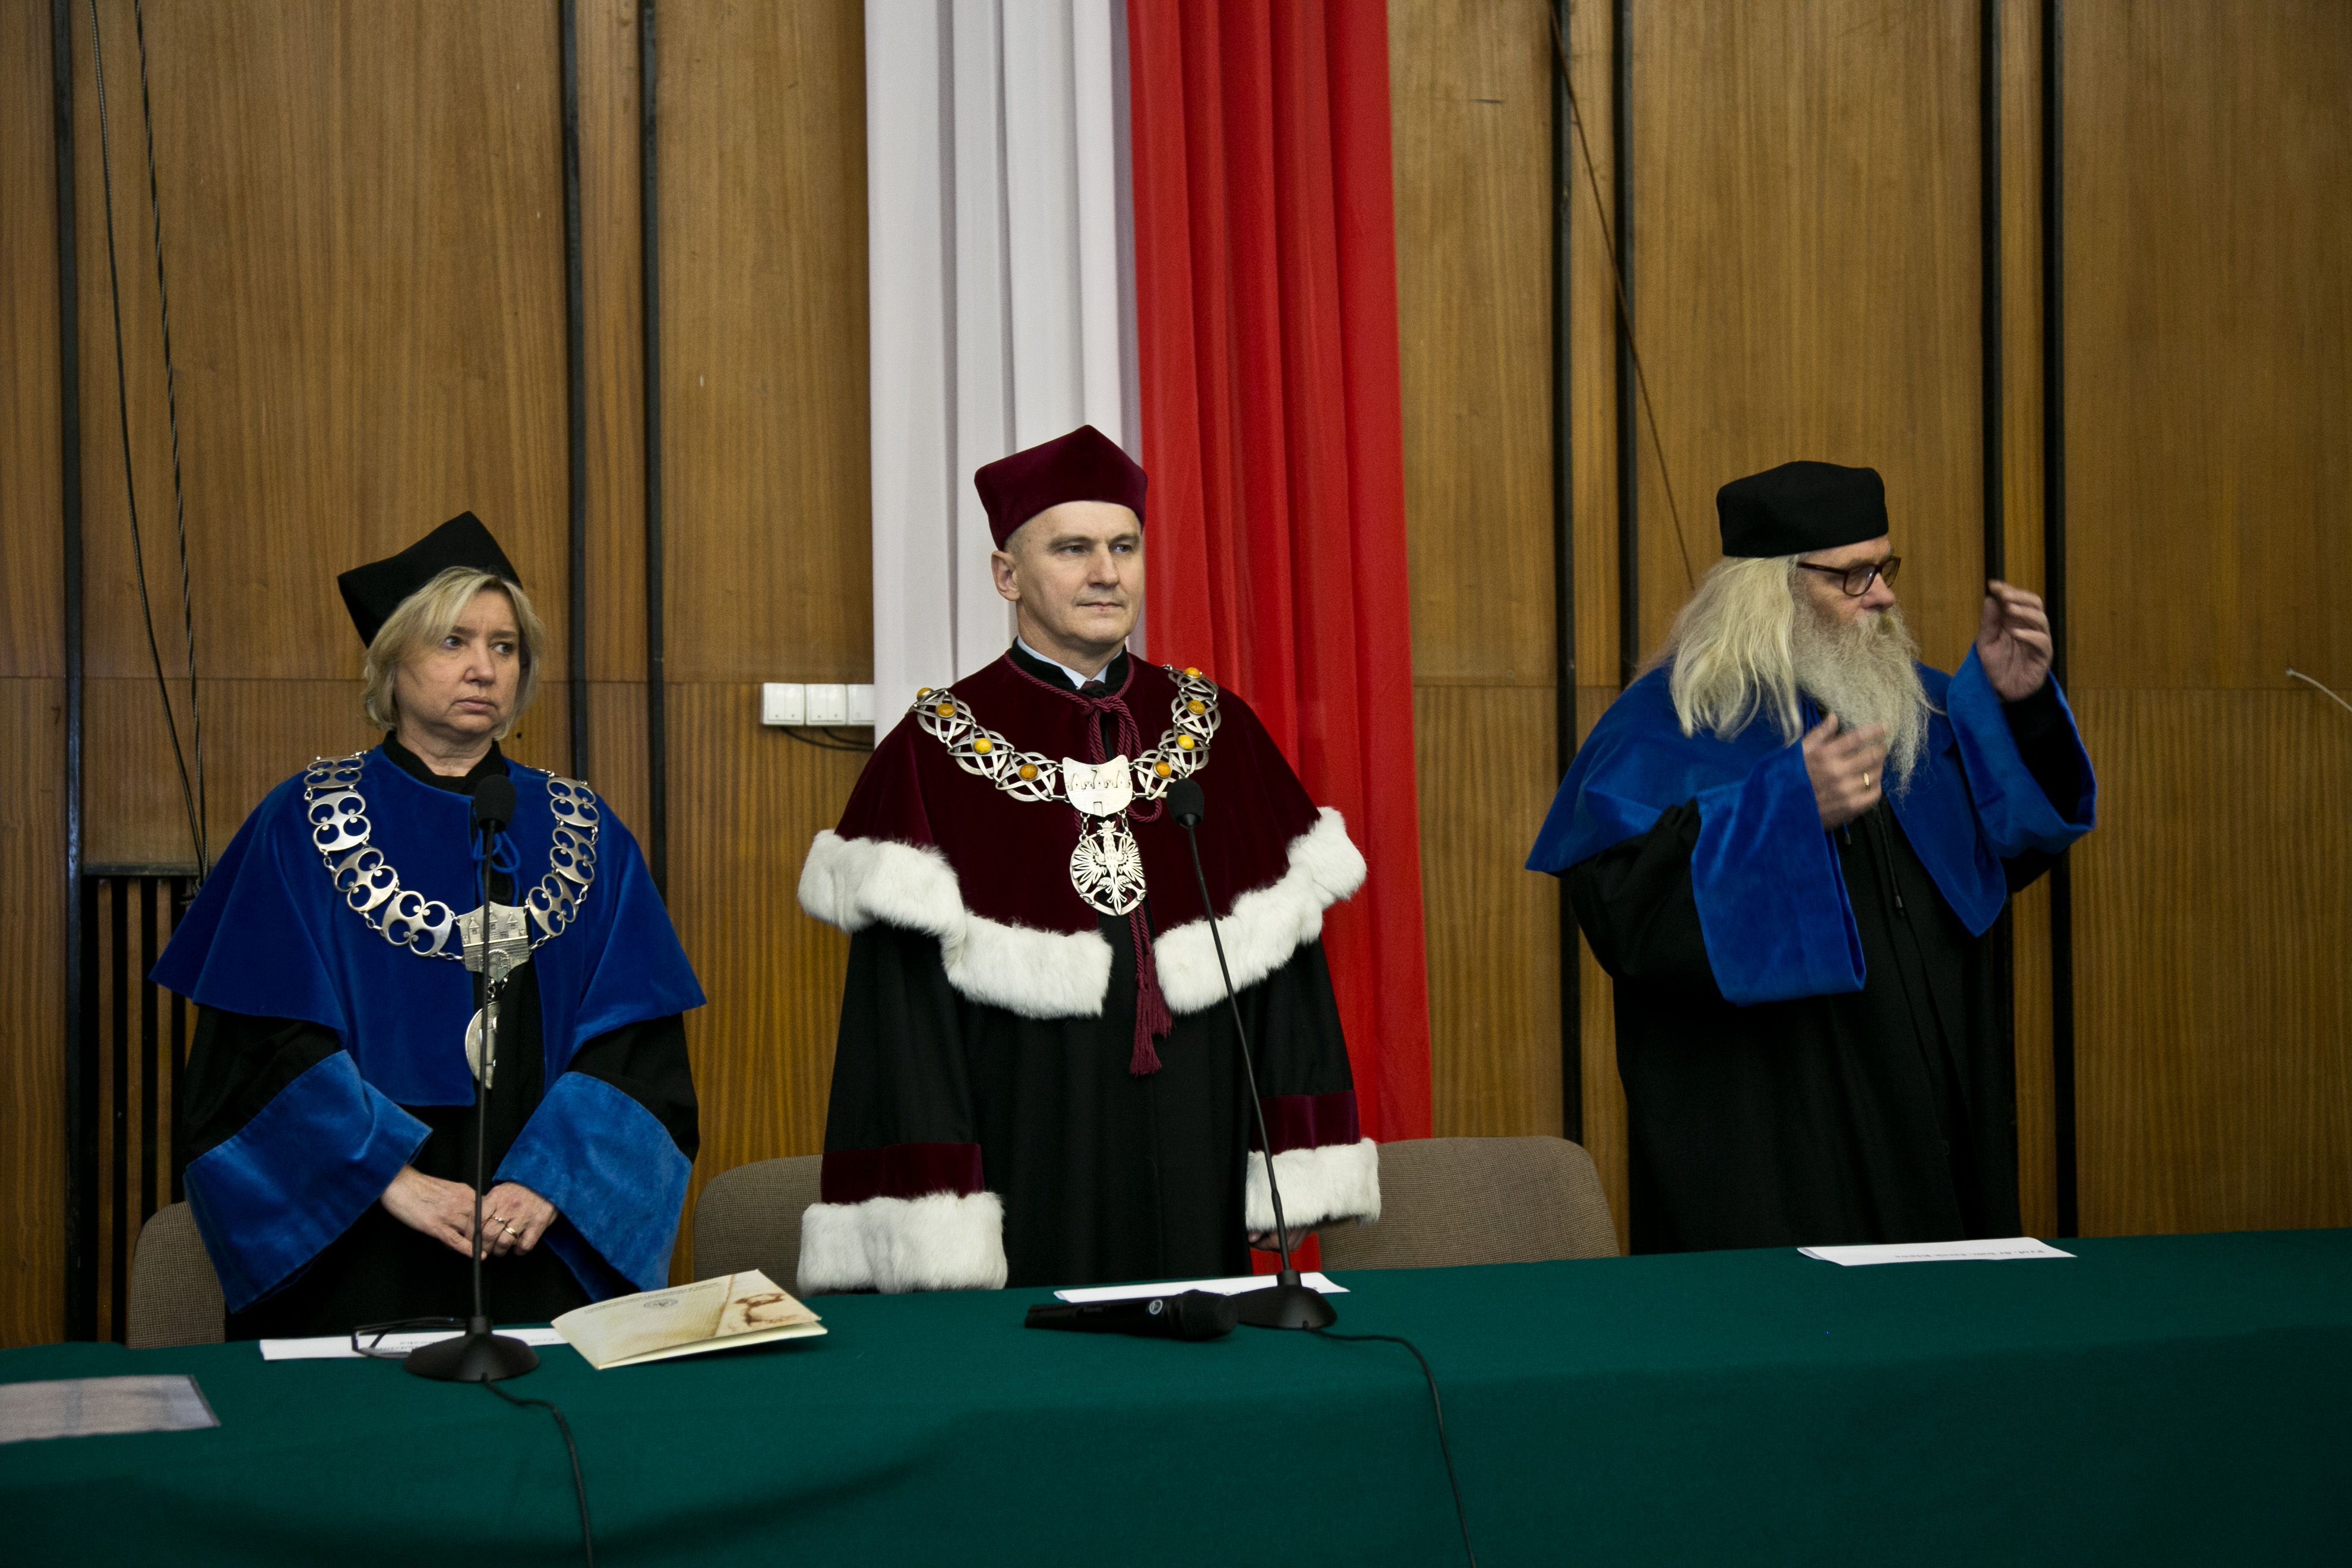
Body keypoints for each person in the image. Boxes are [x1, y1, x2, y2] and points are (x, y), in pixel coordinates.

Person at [796, 425, 1379, 1292]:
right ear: (1007, 575)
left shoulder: (1222, 733)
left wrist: (1297, 1157)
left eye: (1124, 547)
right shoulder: (926, 755)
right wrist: (934, 1215)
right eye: (1073, 549)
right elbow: (901, 1028)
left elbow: (1290, 973)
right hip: (1025, 1138)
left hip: (1199, 1134)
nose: (1106, 572)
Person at [156, 513, 704, 1336]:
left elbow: (638, 1050)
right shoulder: (300, 825)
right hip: (355, 1237)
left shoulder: (584, 832)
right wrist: (390, 1180)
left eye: (505, 647)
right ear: (392, 661)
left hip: (534, 1235)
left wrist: (551, 1182)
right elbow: (255, 1049)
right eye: (454, 642)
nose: (484, 668)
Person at [1528, 461, 2096, 1253]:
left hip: (1931, 1130)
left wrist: (2022, 709)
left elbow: (2001, 852)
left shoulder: (1912, 708)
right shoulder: (1670, 725)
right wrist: (1788, 811)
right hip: (1780, 1145)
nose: (1883, 596)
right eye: (1854, 576)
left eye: (1885, 568)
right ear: (1769, 590)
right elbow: (1629, 919)